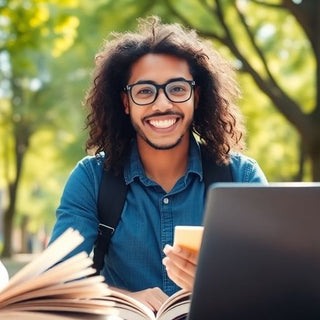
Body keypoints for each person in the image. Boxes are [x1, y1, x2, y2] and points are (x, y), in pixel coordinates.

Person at [49, 16, 267, 311]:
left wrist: (219, 283)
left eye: (177, 88)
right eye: (144, 91)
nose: (162, 104)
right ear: (126, 103)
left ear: (197, 96)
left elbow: (271, 282)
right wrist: (122, 297)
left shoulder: (241, 176)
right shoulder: (91, 179)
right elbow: (55, 283)